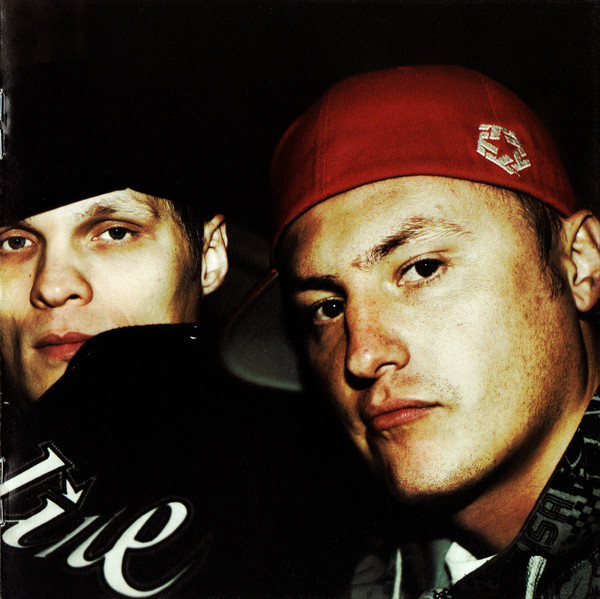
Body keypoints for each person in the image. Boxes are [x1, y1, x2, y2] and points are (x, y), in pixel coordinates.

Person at [222, 65, 600, 598]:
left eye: (422, 269)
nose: (363, 356)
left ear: (579, 264)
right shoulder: (359, 575)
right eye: (328, 307)